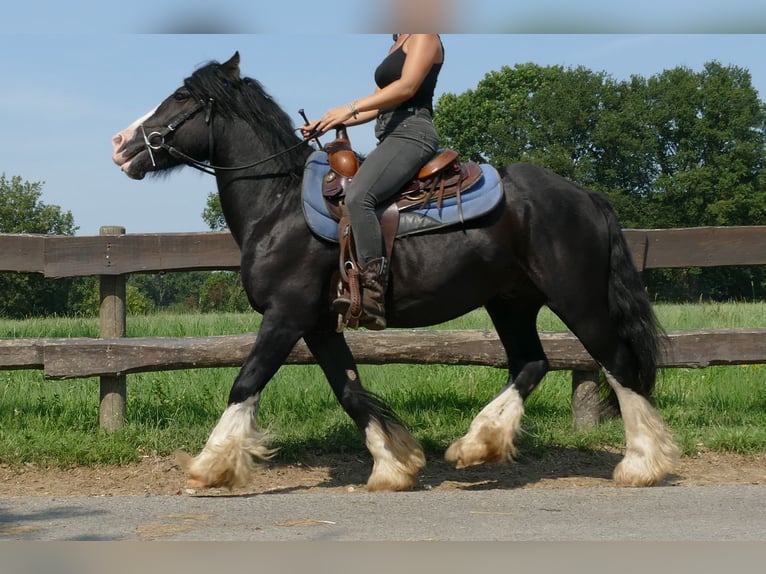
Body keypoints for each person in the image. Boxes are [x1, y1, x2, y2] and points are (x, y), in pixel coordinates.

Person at [301, 33, 444, 330]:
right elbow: (377, 106)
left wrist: (349, 107)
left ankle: (373, 292)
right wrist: (328, 122)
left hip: (413, 132)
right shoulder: (395, 45)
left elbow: (406, 87)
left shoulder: (424, 35)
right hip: (391, 135)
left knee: (359, 196)